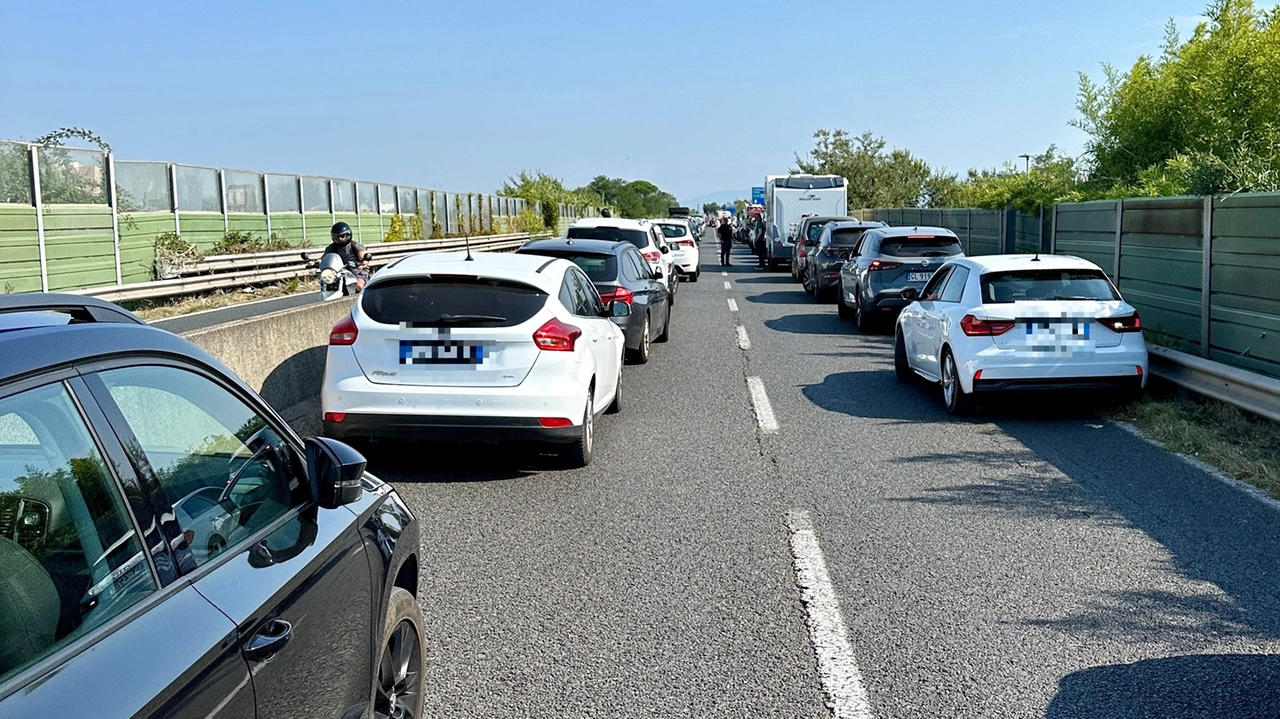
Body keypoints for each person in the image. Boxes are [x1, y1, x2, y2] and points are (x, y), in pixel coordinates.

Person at [324, 221, 370, 291]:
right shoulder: (332, 248)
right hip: (340, 272)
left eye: (342, 236)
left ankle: (364, 300)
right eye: (337, 237)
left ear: (348, 235)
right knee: (328, 285)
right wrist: (314, 263)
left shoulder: (355, 246)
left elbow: (364, 257)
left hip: (357, 270)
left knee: (359, 285)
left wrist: (364, 263)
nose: (339, 239)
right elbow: (325, 258)